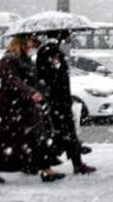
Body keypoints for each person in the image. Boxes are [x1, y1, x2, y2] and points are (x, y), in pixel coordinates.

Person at [0, 34, 65, 184]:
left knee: (37, 137)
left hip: (25, 106)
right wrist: (30, 92)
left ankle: (45, 169)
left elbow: (32, 80)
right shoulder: (9, 59)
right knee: (1, 141)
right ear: (22, 42)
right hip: (8, 108)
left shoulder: (25, 59)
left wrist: (43, 87)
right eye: (30, 40)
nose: (32, 44)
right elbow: (12, 81)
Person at [36, 31, 96, 175]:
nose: (69, 37)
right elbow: (50, 76)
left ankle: (75, 159)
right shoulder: (50, 51)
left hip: (59, 100)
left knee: (62, 133)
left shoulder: (51, 50)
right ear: (60, 35)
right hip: (56, 102)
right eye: (67, 34)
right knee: (60, 133)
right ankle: (72, 161)